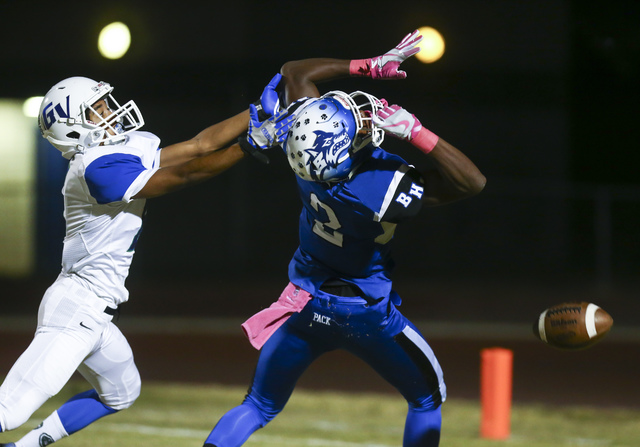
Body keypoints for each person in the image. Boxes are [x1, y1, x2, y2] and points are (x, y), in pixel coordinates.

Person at [202, 30, 486, 447]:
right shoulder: (374, 189)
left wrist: (365, 66)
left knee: (258, 406)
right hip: (363, 312)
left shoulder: (304, 150)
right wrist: (418, 133)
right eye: (354, 125)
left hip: (304, 301)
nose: (361, 117)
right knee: (427, 399)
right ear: (343, 148)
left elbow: (294, 72)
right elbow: (471, 182)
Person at [0, 74, 290, 447]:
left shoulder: (113, 152)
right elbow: (181, 175)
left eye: (104, 103)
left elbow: (197, 146)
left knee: (121, 393)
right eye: (96, 109)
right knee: (10, 411)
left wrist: (253, 116)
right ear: (73, 131)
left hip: (96, 312)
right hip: (75, 312)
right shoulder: (94, 168)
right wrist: (246, 148)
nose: (108, 111)